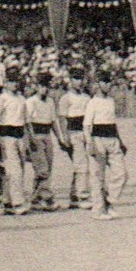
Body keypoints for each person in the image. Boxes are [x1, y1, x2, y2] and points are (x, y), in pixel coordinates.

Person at [84, 72, 125, 220]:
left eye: (109, 82)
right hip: (97, 139)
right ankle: (98, 210)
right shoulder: (92, 102)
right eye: (104, 82)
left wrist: (120, 141)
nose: (107, 85)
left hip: (112, 139)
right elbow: (87, 125)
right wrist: (90, 143)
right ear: (98, 84)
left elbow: (113, 123)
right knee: (97, 176)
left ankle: (110, 202)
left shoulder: (111, 101)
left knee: (121, 174)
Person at [0, 68, 31, 215]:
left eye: (16, 81)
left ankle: (7, 201)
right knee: (15, 171)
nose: (14, 84)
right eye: (11, 81)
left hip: (19, 134)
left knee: (17, 169)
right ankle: (18, 203)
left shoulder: (21, 99)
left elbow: (25, 121)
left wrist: (27, 139)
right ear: (6, 82)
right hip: (6, 135)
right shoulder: (3, 98)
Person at [25, 73, 65, 210]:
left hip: (47, 135)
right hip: (36, 135)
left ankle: (35, 199)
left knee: (47, 167)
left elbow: (53, 121)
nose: (45, 89)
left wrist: (59, 138)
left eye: (47, 86)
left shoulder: (50, 101)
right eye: (42, 86)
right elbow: (28, 122)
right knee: (42, 169)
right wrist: (31, 139)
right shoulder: (30, 102)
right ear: (36, 87)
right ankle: (47, 198)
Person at [57, 72, 92, 207]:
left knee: (81, 164)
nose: (79, 82)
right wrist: (65, 136)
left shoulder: (86, 97)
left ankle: (74, 196)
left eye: (81, 78)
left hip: (85, 132)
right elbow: (62, 118)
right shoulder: (66, 98)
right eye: (76, 78)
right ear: (70, 80)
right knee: (81, 164)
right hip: (73, 133)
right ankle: (82, 196)